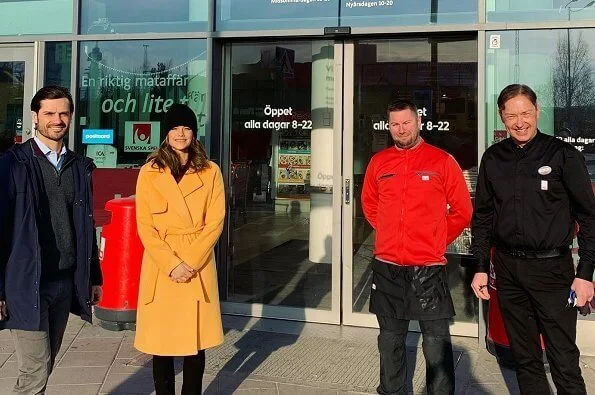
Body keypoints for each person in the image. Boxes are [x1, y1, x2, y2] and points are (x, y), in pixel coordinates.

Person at [471, 84, 594, 395]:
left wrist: (585, 275)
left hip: (553, 271)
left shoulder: (563, 155)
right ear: (502, 116)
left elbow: (589, 217)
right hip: (509, 271)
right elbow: (483, 217)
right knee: (525, 358)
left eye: (525, 113)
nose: (519, 121)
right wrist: (480, 266)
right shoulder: (493, 158)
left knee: (563, 358)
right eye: (511, 115)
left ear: (538, 112)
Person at [362, 99, 472, 395]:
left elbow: (462, 210)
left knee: (436, 343)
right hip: (387, 267)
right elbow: (370, 204)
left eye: (406, 122)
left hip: (428, 268)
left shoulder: (442, 161)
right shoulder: (379, 162)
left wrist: (435, 237)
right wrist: (388, 231)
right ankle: (392, 391)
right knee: (390, 340)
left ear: (419, 122)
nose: (401, 129)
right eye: (395, 124)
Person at [0, 85, 103, 394]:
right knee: (34, 370)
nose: (57, 119)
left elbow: (86, 226)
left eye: (63, 113)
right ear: (35, 117)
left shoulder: (78, 166)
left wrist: (93, 276)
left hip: (63, 282)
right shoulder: (12, 164)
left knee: (45, 366)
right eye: (49, 113)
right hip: (26, 283)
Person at [134, 103, 225, 395]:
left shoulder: (210, 171)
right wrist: (172, 264)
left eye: (186, 127)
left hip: (196, 264)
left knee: (193, 344)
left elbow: (216, 221)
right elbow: (144, 225)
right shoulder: (149, 172)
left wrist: (190, 261)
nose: (180, 133)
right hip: (163, 267)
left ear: (194, 134)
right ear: (165, 134)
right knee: (161, 345)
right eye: (174, 128)